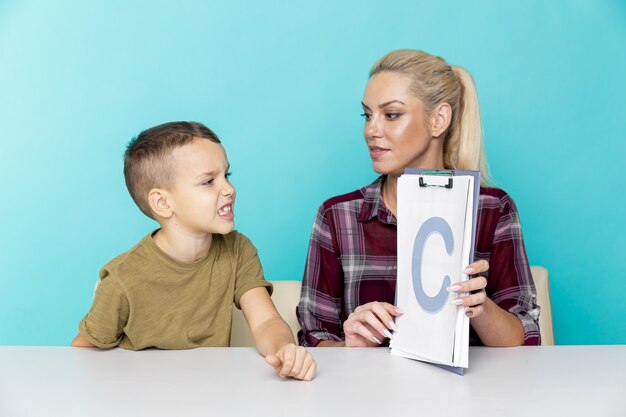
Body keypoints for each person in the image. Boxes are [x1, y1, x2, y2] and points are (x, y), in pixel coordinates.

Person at [297, 49, 540, 348]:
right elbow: (313, 339)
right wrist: (350, 344)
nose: (371, 130)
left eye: (391, 115)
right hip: (368, 391)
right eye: (367, 115)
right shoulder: (337, 216)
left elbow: (525, 343)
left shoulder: (492, 209)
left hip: (472, 393)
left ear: (438, 120)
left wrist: (478, 306)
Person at [72, 121, 316, 381]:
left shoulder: (238, 249)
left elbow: (266, 322)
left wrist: (285, 350)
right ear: (163, 203)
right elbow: (81, 353)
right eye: (209, 181)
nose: (229, 189)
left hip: (210, 392)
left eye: (227, 176)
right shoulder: (122, 278)